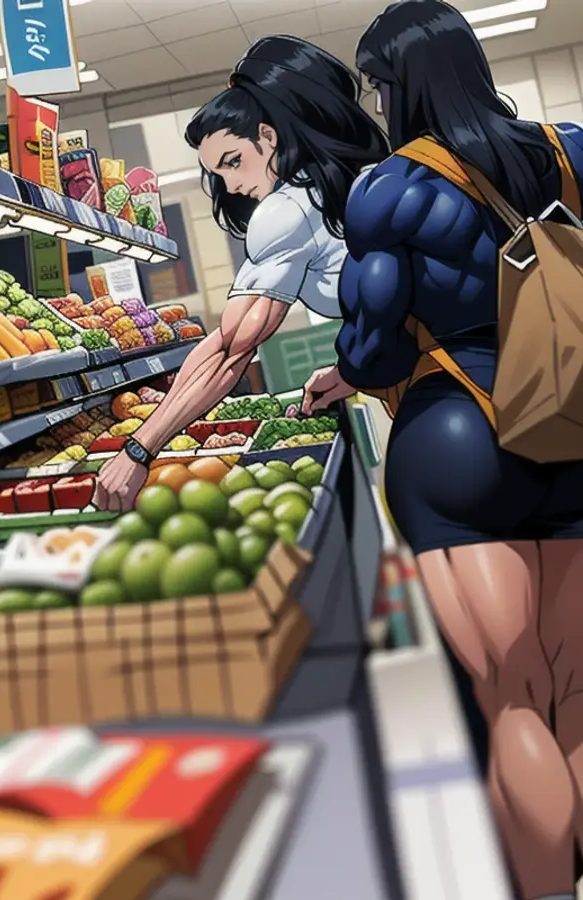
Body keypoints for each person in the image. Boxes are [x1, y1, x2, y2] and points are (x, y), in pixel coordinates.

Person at [302, 3, 583, 898]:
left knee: (512, 700)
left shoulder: (393, 189)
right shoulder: (572, 146)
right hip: (574, 427)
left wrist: (358, 369)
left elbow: (372, 347)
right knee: (576, 695)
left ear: (392, 86)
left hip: (459, 441)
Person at [92, 35, 387, 512]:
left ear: (269, 138)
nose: (231, 184)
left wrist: (140, 448)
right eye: (217, 173)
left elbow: (229, 349)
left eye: (234, 161)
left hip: (428, 398)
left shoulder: (287, 209)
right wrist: (351, 372)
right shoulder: (351, 184)